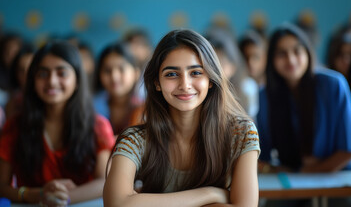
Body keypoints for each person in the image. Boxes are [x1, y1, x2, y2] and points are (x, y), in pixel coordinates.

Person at [103, 29, 260, 207]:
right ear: (157, 82)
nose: (185, 85)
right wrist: (211, 194)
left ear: (210, 79)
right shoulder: (134, 139)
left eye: (196, 73)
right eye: (171, 74)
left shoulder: (242, 132)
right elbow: (117, 204)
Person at [0, 41, 115, 206]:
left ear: (77, 80)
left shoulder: (97, 126)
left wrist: (62, 198)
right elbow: (2, 186)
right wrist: (38, 194)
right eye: (43, 74)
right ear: (32, 80)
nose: (52, 81)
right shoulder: (15, 126)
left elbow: (104, 181)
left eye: (62, 73)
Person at [257, 23, 351, 174]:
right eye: (281, 53)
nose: (290, 60)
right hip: (291, 185)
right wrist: (275, 169)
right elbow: (262, 156)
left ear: (308, 53)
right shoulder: (265, 95)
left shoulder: (333, 85)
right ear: (271, 60)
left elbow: (349, 151)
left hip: (337, 183)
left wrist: (312, 170)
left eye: (297, 51)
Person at [94, 42, 144, 136]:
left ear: (136, 73)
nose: (114, 77)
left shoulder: (146, 109)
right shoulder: (91, 107)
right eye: (107, 70)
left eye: (121, 69)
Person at [5, 42, 36, 118]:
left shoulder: (49, 100)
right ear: (15, 74)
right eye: (21, 70)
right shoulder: (12, 103)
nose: (27, 75)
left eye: (31, 69)